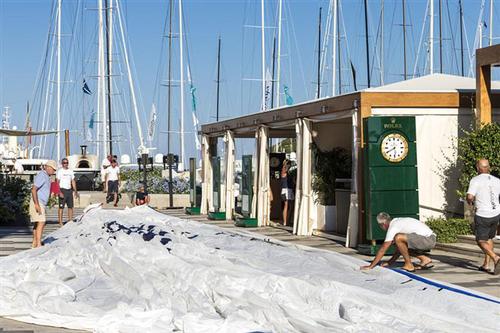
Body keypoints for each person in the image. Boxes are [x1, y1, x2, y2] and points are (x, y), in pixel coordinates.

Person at [361, 212, 436, 272]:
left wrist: (371, 266)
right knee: (398, 242)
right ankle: (424, 259)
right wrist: (390, 262)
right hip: (429, 238)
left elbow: (383, 249)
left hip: (428, 240)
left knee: (398, 238)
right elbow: (400, 249)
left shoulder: (393, 227)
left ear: (383, 224)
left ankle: (409, 265)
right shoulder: (397, 221)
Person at [466, 159, 500, 275]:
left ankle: (495, 258)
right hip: (495, 213)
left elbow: (470, 196)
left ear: (478, 168)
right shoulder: (497, 180)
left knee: (480, 240)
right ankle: (486, 264)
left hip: (483, 214)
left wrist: (470, 202)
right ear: (488, 167)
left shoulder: (475, 180)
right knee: (489, 238)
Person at [30, 160, 57, 248]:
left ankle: (34, 242)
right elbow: (34, 189)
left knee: (37, 223)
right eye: (53, 169)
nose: (54, 172)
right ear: (48, 167)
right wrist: (37, 204)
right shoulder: (42, 175)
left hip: (41, 202)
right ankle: (38, 244)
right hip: (38, 202)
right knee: (42, 222)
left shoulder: (46, 176)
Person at [56, 157, 79, 227]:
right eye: (64, 163)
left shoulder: (70, 171)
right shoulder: (60, 171)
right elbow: (57, 182)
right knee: (61, 207)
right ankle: (60, 221)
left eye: (66, 163)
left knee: (70, 206)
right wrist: (59, 192)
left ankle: (70, 220)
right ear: (62, 164)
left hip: (69, 190)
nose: (65, 164)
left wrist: (75, 191)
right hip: (62, 189)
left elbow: (73, 181)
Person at [280, 159, 294, 226]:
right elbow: (285, 168)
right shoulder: (283, 172)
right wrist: (285, 163)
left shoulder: (289, 173)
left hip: (290, 190)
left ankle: (288, 220)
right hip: (285, 190)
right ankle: (285, 222)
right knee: (286, 205)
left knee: (291, 206)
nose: (289, 166)